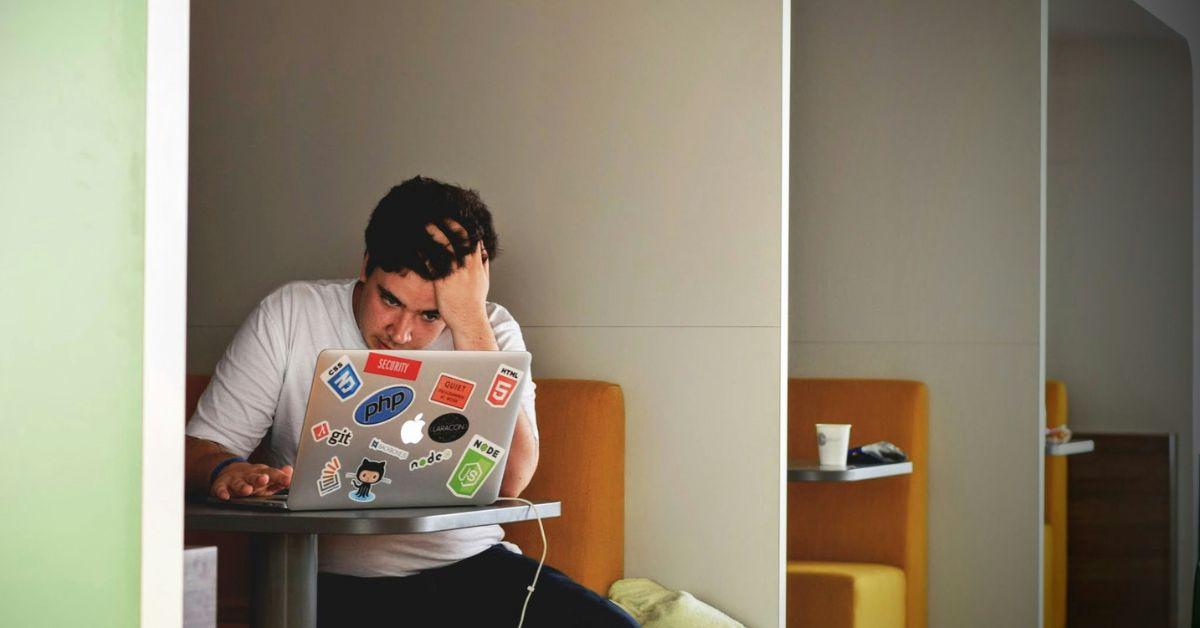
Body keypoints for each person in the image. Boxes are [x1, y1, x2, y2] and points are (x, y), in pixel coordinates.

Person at [184, 176, 637, 626]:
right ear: (366, 265)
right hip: (334, 581)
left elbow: (511, 481)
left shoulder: (491, 330)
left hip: (473, 566)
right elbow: (197, 450)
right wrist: (229, 471)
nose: (401, 334)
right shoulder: (291, 314)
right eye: (389, 300)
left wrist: (469, 323)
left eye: (430, 314)